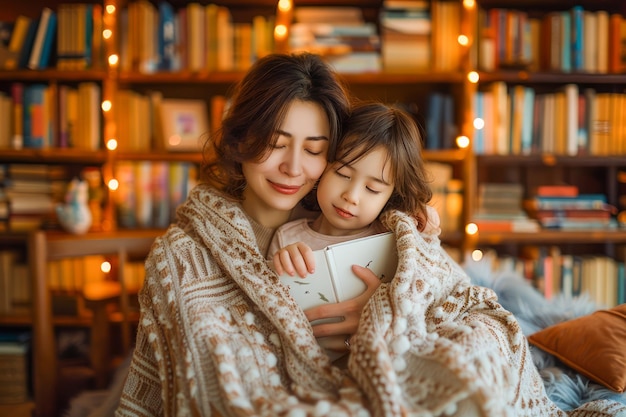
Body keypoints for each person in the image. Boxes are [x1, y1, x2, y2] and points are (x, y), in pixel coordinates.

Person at [116, 52, 606, 417]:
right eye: (275, 143)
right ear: (241, 140)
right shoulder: (183, 258)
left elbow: (469, 307)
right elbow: (211, 387)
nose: (293, 166)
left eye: (314, 149)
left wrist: (388, 311)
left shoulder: (375, 223)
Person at [267, 102, 436, 357]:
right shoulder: (287, 236)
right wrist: (278, 264)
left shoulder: (395, 242)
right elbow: (264, 303)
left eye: (373, 189)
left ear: (391, 195)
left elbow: (427, 290)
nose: (351, 196)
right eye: (343, 174)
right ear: (325, 166)